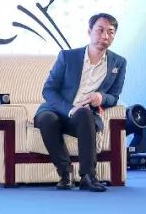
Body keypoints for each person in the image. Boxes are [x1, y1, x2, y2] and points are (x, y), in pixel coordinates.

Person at [35, 13, 127, 192]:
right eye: (100, 30)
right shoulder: (67, 56)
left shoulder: (119, 62)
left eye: (110, 32)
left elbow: (114, 96)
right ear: (89, 32)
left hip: (83, 117)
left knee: (84, 112)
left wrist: (101, 97)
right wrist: (70, 109)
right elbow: (48, 90)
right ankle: (65, 173)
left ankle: (88, 176)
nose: (105, 36)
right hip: (57, 110)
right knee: (46, 118)